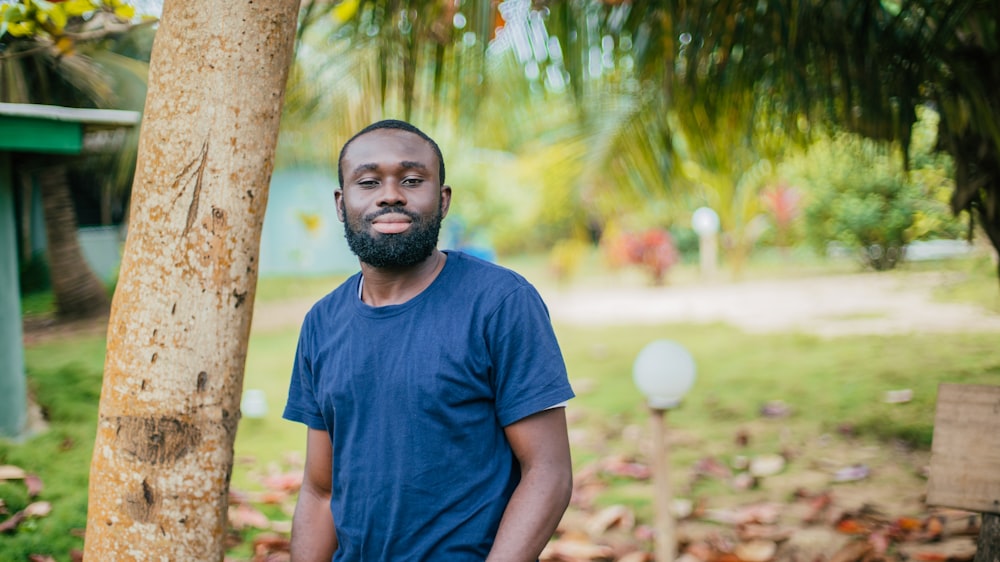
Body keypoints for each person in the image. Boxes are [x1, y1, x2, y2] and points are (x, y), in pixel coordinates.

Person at [283, 119, 575, 561]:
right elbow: (321, 489)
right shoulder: (322, 322)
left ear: (442, 200)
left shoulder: (500, 303)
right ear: (342, 204)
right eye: (368, 181)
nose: (390, 195)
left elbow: (547, 471)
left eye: (412, 180)